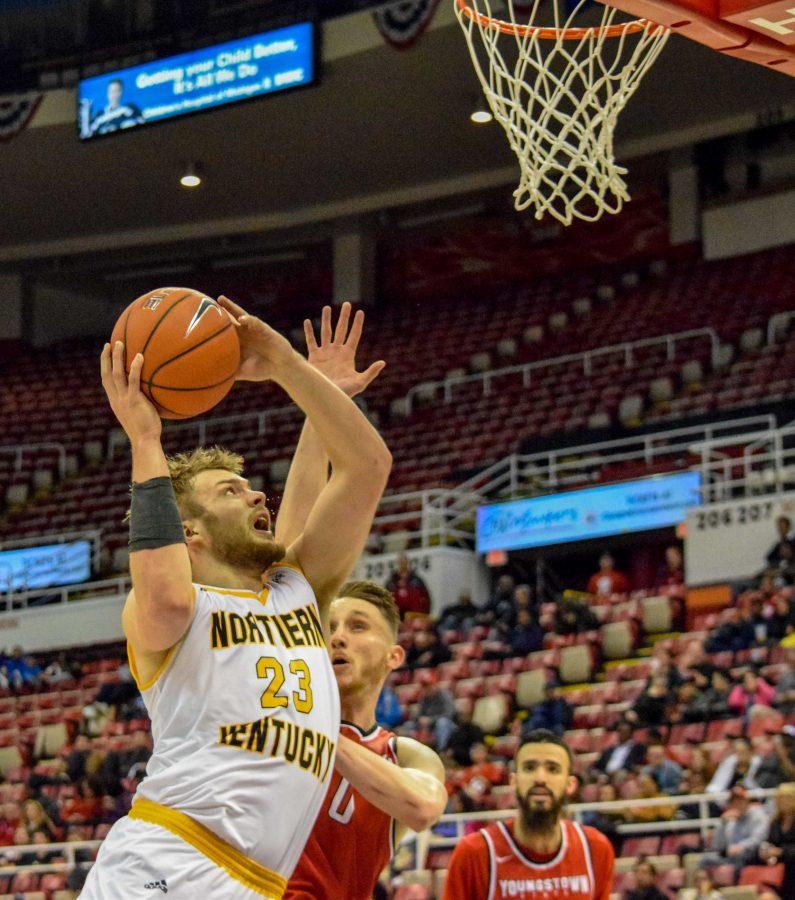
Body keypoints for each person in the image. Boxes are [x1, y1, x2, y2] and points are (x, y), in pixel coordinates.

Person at [81, 300, 392, 899]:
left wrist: (289, 367)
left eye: (251, 487)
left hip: (255, 882)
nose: (258, 498)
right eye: (232, 490)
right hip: (167, 861)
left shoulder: (296, 588)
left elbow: (368, 467)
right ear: (187, 531)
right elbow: (167, 598)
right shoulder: (176, 608)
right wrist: (146, 439)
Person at [286, 582, 446, 900]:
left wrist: (317, 729)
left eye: (357, 626)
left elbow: (423, 807)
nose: (338, 637)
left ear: (394, 656)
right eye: (328, 628)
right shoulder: (272, 725)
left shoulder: (405, 755)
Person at [443, 730, 615, 900]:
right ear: (513, 781)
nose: (540, 778)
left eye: (552, 769)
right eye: (530, 768)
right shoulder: (474, 853)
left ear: (570, 785)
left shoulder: (595, 848)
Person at [706, 785, 770, 872]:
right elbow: (717, 845)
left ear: (747, 801)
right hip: (731, 858)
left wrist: (741, 846)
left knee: (726, 870)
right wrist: (722, 824)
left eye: (740, 801)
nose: (737, 804)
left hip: (751, 856)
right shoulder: (730, 820)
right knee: (705, 861)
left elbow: (759, 838)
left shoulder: (758, 815)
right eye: (733, 802)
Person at [758, 782, 795, 899]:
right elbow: (769, 842)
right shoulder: (775, 822)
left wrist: (781, 852)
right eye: (780, 798)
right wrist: (765, 852)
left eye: (787, 798)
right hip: (778, 870)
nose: (783, 802)